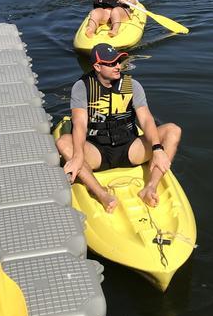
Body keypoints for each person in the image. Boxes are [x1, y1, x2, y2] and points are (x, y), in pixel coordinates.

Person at [56, 43, 182, 212]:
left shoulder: (131, 84)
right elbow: (79, 124)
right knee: (64, 142)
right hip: (97, 151)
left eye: (118, 61)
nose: (118, 66)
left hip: (130, 149)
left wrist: (158, 149)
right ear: (97, 66)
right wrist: (78, 156)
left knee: (173, 130)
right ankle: (101, 194)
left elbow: (146, 119)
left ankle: (150, 187)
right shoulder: (82, 87)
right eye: (111, 63)